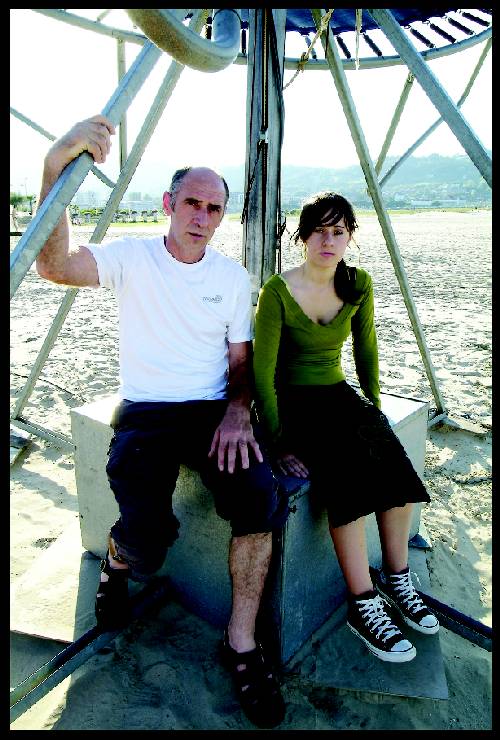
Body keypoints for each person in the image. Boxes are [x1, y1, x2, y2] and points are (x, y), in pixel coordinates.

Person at [35, 114, 288, 728]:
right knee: (147, 541)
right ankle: (117, 564)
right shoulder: (133, 257)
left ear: (222, 218)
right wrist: (53, 166)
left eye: (214, 208)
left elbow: (240, 361)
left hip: (210, 409)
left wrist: (238, 412)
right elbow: (56, 265)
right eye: (192, 203)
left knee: (259, 498)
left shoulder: (231, 278)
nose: (202, 216)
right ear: (169, 204)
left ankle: (241, 643)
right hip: (147, 409)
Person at [253, 191, 439, 664]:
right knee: (347, 482)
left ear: (350, 237)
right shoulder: (277, 291)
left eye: (338, 231)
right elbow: (262, 373)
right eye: (319, 230)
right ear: (303, 236)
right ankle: (362, 602)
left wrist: (373, 409)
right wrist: (276, 442)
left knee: (395, 470)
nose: (328, 240)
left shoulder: (358, 283)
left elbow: (366, 348)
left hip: (338, 394)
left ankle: (397, 579)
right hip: (294, 402)